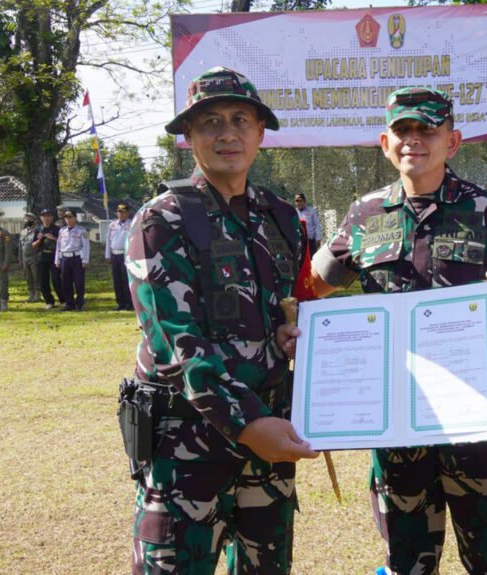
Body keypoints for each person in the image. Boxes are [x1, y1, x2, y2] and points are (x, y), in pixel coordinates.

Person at [308, 87, 487, 575]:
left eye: (427, 130)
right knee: (406, 563)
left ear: (452, 142)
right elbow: (314, 286)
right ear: (385, 143)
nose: (414, 139)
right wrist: (303, 328)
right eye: (403, 130)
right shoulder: (364, 214)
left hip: (477, 421)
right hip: (396, 426)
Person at [123, 66, 319, 574]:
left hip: (269, 437)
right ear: (188, 136)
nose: (227, 133)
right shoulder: (161, 219)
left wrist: (289, 335)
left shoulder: (281, 217)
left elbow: (281, 308)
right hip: (187, 444)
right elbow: (174, 343)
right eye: (210, 122)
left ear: (260, 132)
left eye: (240, 120)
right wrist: (247, 424)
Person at [54, 210, 89, 311]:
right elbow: (58, 246)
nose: (68, 220)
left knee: (79, 282)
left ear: (75, 218)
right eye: (66, 218)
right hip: (65, 258)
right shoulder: (62, 231)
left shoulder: (81, 231)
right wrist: (57, 260)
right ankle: (69, 304)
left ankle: (79, 303)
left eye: (70, 217)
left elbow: (86, 246)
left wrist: (85, 260)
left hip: (77, 258)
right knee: (66, 282)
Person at [32, 209, 63, 309]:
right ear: (41, 218)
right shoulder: (38, 229)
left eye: (49, 216)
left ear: (52, 217)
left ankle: (63, 300)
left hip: (54, 256)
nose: (47, 218)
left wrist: (53, 238)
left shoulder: (57, 229)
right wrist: (39, 239)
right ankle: (49, 301)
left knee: (56, 279)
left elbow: (63, 243)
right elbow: (33, 245)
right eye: (44, 216)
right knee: (43, 280)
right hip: (42, 256)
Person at [105, 203, 133, 311]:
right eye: (119, 212)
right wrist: (108, 255)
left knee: (126, 279)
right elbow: (108, 240)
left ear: (128, 213)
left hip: (126, 254)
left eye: (123, 212)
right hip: (114, 254)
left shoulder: (132, 224)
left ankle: (129, 303)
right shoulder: (112, 225)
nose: (121, 214)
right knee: (117, 280)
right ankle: (120, 302)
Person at [19, 212, 41, 303]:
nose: (27, 220)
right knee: (28, 276)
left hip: (34, 256)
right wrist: (20, 258)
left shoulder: (37, 231)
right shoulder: (23, 232)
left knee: (36, 276)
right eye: (26, 219)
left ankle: (37, 293)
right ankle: (31, 292)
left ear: (34, 220)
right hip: (25, 257)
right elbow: (20, 246)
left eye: (29, 219)